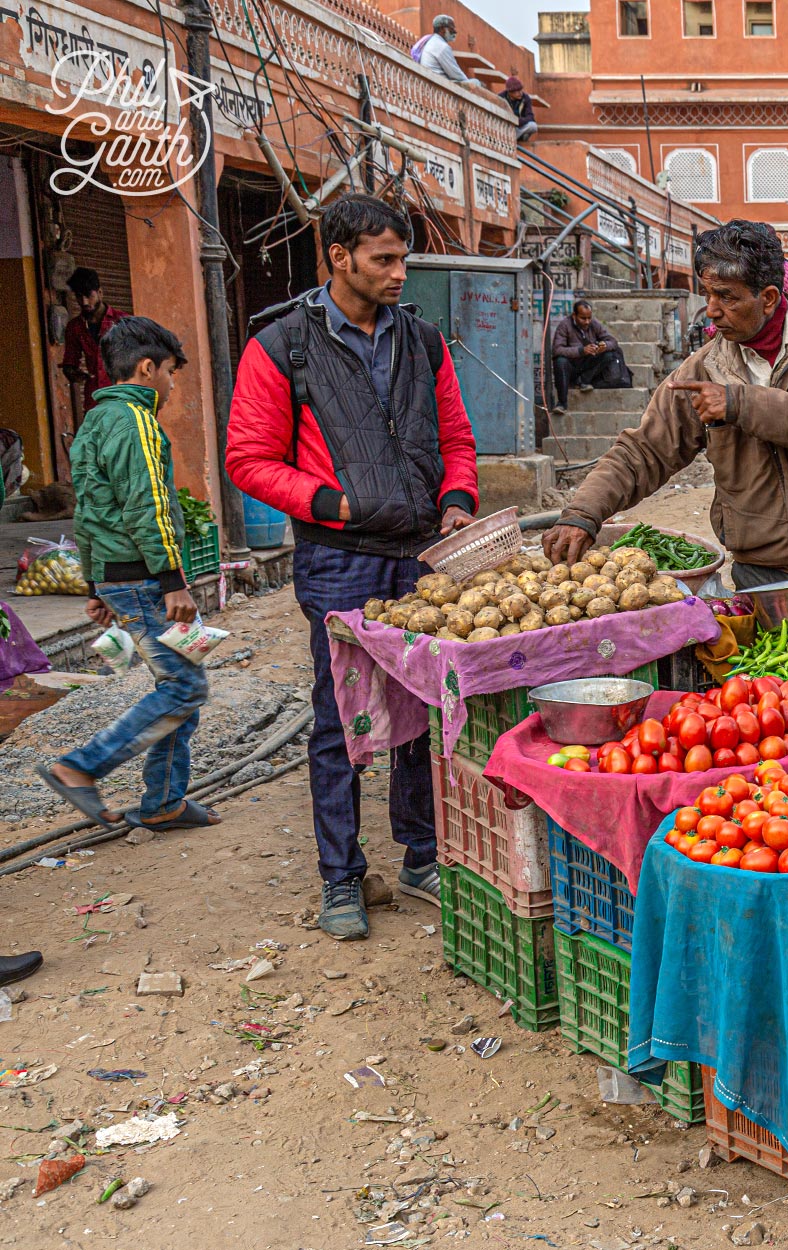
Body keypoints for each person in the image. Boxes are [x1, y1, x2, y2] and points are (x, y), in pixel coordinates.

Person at [226, 195, 479, 942]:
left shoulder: (424, 342)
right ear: (339, 257)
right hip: (339, 560)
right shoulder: (281, 347)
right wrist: (330, 504)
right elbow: (248, 459)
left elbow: (456, 435)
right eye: (384, 260)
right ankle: (340, 877)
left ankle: (421, 856)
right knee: (341, 719)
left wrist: (458, 497)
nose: (401, 274)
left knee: (424, 712)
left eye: (404, 259)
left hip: (421, 556)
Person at [541, 219, 788, 625]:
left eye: (726, 297)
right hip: (766, 580)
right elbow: (643, 451)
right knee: (780, 687)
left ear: (767, 297)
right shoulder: (703, 369)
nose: (711, 310)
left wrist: (738, 404)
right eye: (708, 294)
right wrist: (582, 513)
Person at [37, 316, 216, 837]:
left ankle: (164, 801)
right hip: (145, 577)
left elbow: (90, 509)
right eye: (170, 372)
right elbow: (150, 509)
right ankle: (81, 766)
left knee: (183, 683)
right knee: (184, 687)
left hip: (121, 576)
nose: (171, 383)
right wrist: (173, 582)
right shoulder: (137, 423)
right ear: (146, 368)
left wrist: (97, 584)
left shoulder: (93, 422)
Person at [550, 299, 632, 410]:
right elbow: (557, 350)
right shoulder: (565, 326)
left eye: (589, 318)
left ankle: (583, 381)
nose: (587, 322)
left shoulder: (594, 324)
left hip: (588, 367)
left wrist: (604, 345)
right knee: (560, 361)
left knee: (609, 354)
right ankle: (562, 403)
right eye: (583, 318)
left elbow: (613, 341)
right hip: (572, 366)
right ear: (574, 315)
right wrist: (581, 351)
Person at [61, 267, 125, 400]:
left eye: (89, 295)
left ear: (100, 293)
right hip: (95, 399)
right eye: (79, 296)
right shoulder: (75, 327)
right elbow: (70, 363)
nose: (84, 302)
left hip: (123, 396)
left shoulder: (123, 321)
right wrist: (74, 374)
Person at [413, 14, 471, 87]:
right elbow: (456, 74)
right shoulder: (441, 46)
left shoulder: (431, 41)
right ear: (442, 29)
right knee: (475, 82)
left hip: (429, 83)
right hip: (438, 86)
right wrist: (470, 84)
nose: (455, 32)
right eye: (451, 28)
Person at [500, 75, 537, 141]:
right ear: (510, 92)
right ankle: (512, 137)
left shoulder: (526, 98)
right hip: (507, 127)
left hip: (519, 127)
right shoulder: (501, 97)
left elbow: (530, 116)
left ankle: (511, 138)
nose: (520, 93)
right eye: (517, 91)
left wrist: (517, 121)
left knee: (533, 126)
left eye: (520, 90)